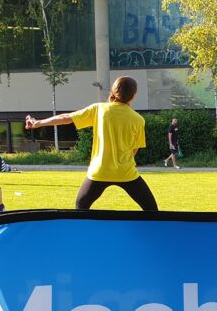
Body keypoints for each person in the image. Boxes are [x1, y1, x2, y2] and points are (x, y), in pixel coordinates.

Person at [25, 76, 157, 211]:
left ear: (113, 91)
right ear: (133, 95)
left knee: (80, 208)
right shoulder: (138, 120)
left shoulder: (99, 109)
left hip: (99, 171)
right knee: (152, 210)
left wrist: (37, 123)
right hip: (126, 172)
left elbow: (66, 118)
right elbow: (135, 149)